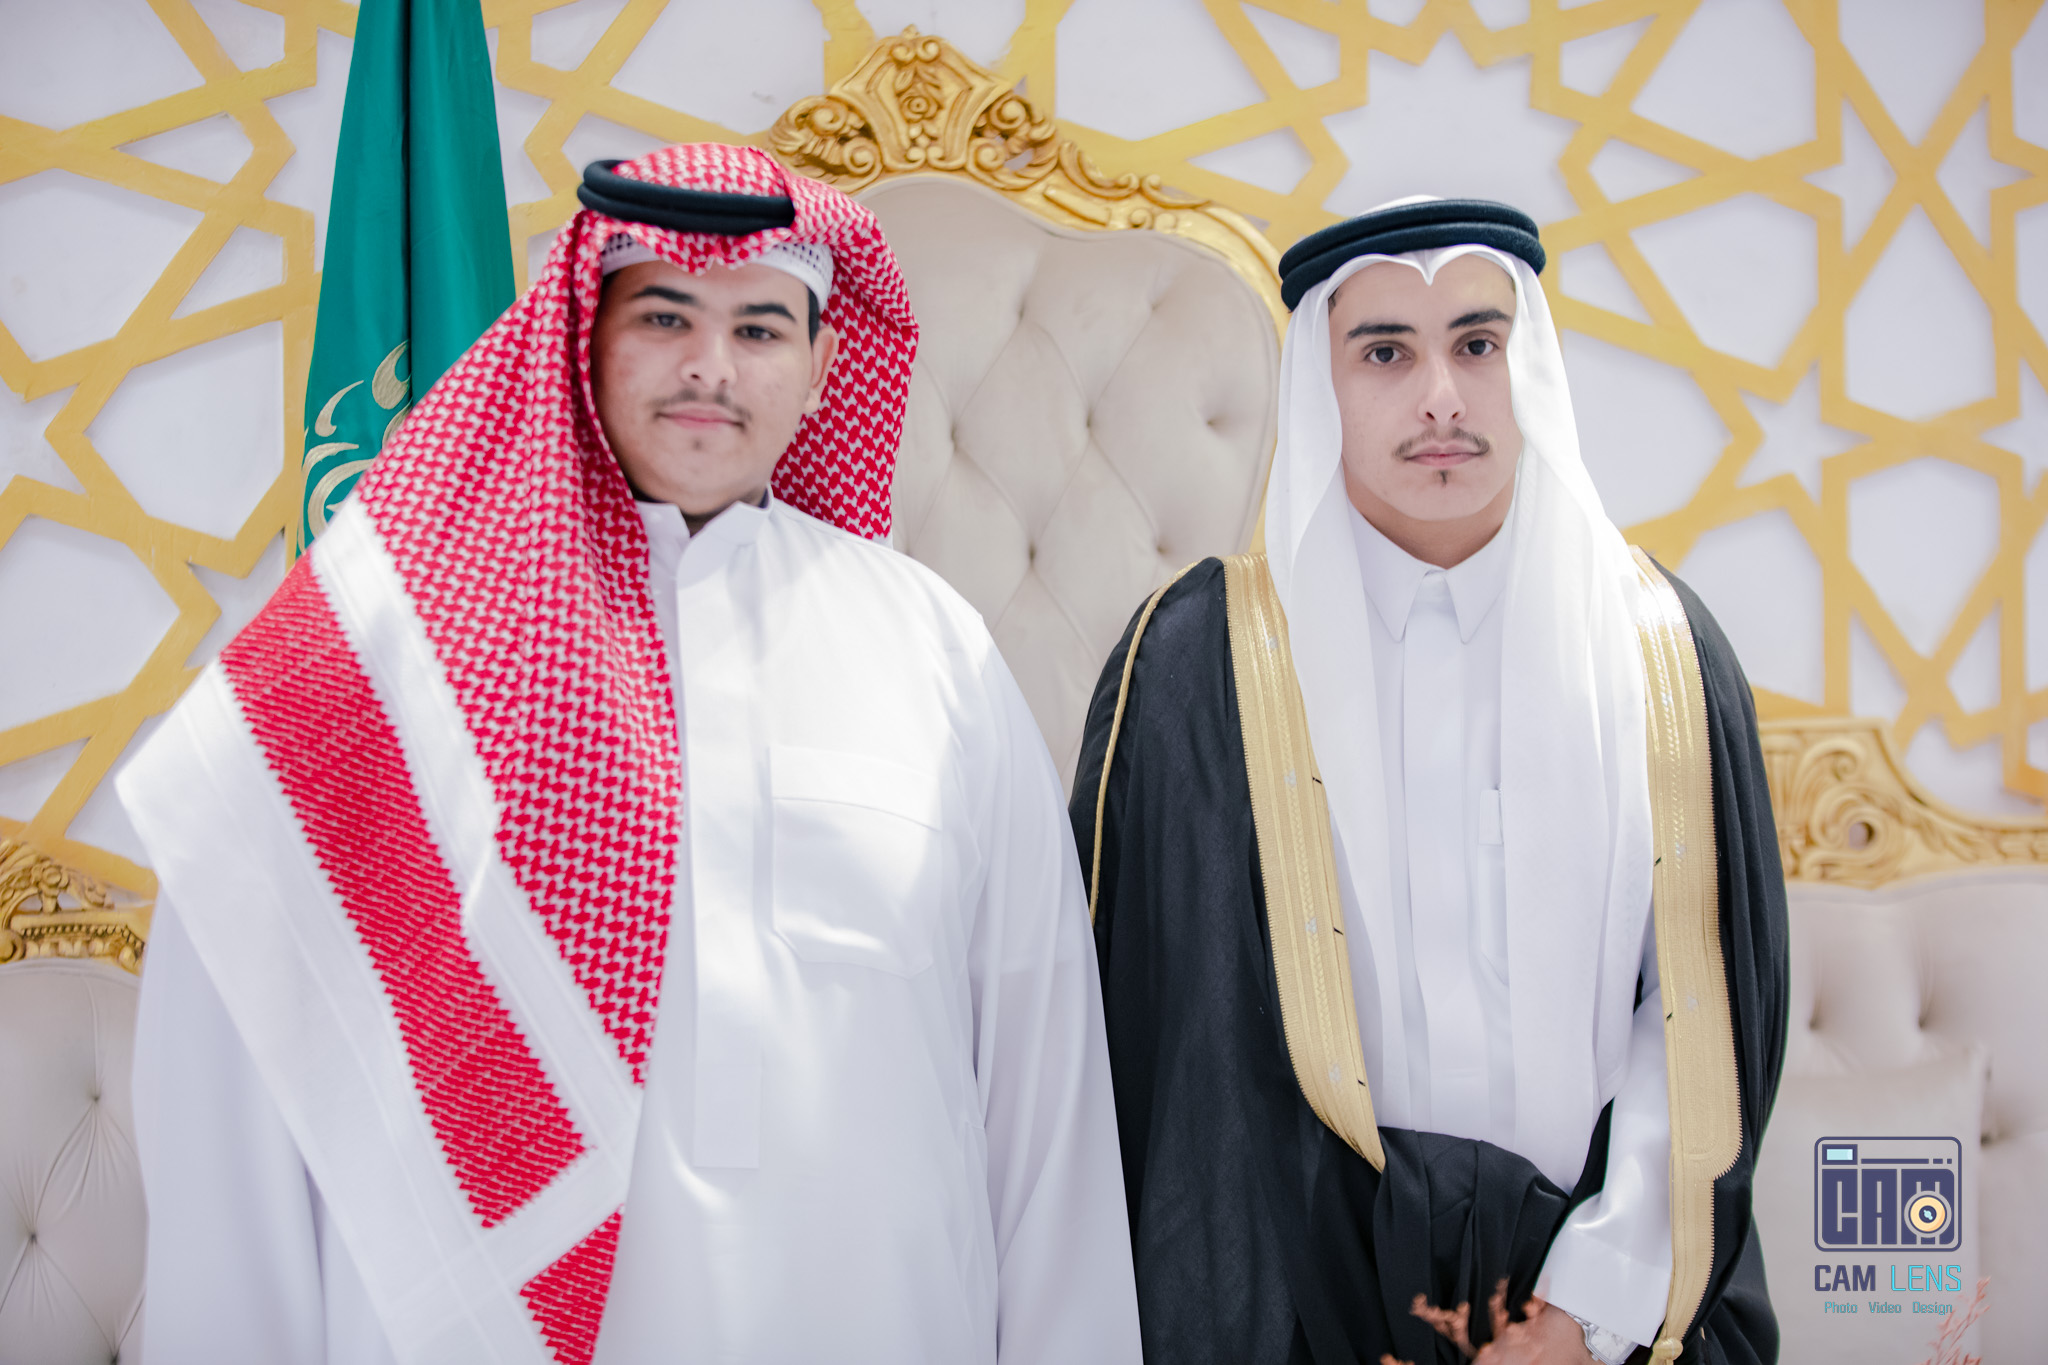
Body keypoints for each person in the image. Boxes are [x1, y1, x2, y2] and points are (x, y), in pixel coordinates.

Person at [121, 144, 1141, 1365]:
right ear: (582, 334)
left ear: (824, 368)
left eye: (760, 328)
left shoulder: (932, 652)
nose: (711, 366)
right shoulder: (390, 644)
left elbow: (1040, 1085)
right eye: (664, 316)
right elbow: (242, 1059)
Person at [1072, 197, 1786, 1365]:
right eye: (1385, 353)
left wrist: (1585, 1313)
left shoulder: (1656, 653)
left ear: (1525, 366)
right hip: (1293, 1294)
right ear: (1321, 385)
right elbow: (1159, 1044)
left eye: (1475, 344)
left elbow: (1701, 1020)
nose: (1441, 397)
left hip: (1599, 1301)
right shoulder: (1203, 661)